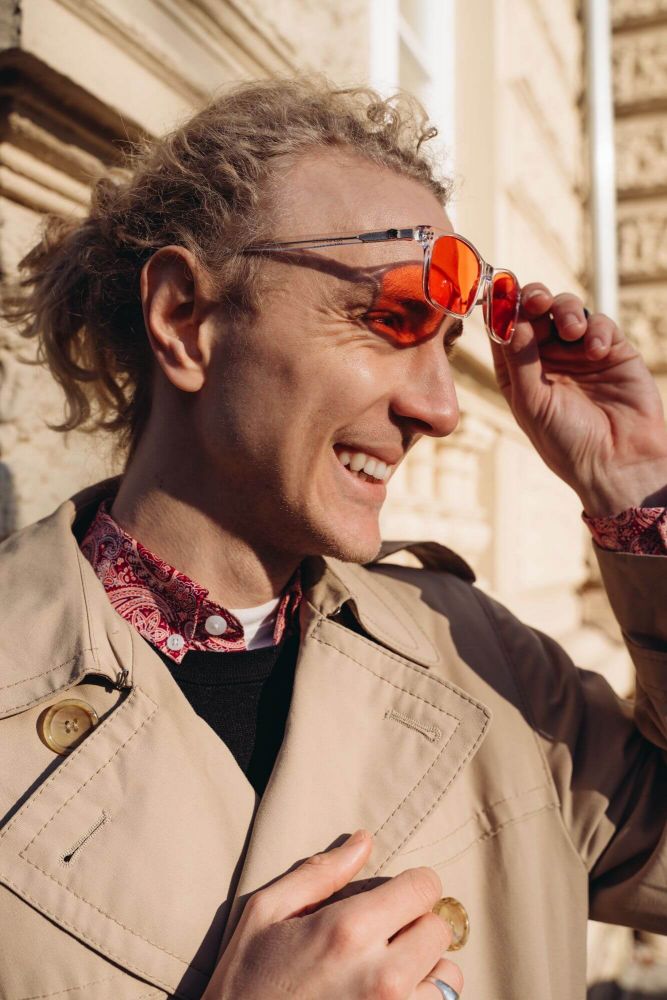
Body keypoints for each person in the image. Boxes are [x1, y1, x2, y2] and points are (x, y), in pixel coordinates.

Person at [0, 76, 665, 1000]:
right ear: (185, 319)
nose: (440, 408)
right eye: (388, 319)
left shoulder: (485, 661)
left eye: (444, 343)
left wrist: (634, 488)